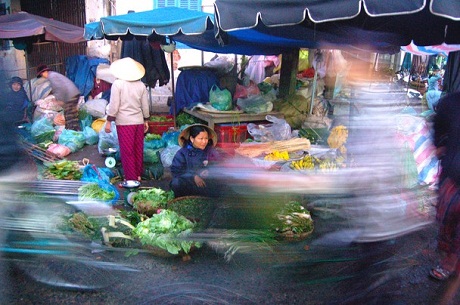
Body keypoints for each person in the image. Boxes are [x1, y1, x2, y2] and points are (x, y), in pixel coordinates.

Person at [429, 91, 460, 281]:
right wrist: (440, 145)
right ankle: (449, 260)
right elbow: (438, 127)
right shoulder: (452, 103)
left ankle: (451, 263)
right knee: (448, 224)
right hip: (453, 176)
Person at [104, 57, 150, 182]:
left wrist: (108, 121)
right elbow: (145, 106)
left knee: (127, 151)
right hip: (138, 121)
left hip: (124, 123)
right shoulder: (141, 85)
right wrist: (146, 120)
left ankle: (131, 178)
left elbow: (114, 105)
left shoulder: (118, 84)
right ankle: (138, 175)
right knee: (137, 149)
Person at [170, 124, 222, 198]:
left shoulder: (210, 151)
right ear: (192, 139)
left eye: (206, 138)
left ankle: (210, 201)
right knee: (176, 183)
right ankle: (184, 200)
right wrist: (193, 177)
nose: (204, 141)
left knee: (220, 181)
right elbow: (176, 171)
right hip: (188, 184)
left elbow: (218, 165)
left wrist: (209, 171)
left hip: (205, 183)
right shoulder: (182, 153)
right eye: (200, 139)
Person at [36, 64, 81, 131]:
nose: (43, 77)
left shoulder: (52, 76)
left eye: (42, 75)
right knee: (72, 115)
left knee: (69, 116)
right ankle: (76, 131)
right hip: (74, 93)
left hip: (70, 95)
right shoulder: (54, 75)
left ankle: (72, 133)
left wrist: (59, 100)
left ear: (44, 72)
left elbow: (59, 88)